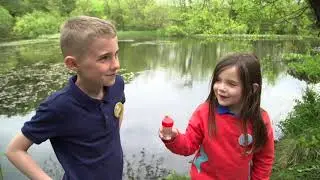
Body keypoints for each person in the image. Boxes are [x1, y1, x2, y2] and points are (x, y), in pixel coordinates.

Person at [5, 16, 126, 180]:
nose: (116, 64)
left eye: (116, 54)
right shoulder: (59, 107)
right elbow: (14, 150)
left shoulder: (116, 84)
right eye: (104, 57)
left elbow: (118, 108)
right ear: (73, 64)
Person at [159, 53, 274, 180]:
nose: (221, 88)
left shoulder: (260, 120)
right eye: (218, 80)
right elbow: (188, 145)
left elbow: (264, 159)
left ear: (252, 89)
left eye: (231, 84)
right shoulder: (204, 112)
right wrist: (173, 138)